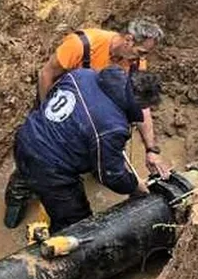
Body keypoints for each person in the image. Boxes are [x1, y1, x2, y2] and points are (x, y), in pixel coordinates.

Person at [10, 67, 159, 232]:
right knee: (76, 224)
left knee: (24, 175)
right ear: (138, 104)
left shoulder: (83, 75)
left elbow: (52, 99)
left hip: (27, 136)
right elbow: (110, 175)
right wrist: (134, 186)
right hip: (51, 169)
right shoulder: (112, 127)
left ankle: (12, 210)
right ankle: (53, 251)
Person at [35, 18, 170, 180]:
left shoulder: (135, 62)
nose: (141, 59)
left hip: (95, 114)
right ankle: (21, 192)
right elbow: (46, 74)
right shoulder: (81, 45)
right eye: (141, 52)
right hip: (65, 107)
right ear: (128, 40)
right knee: (43, 155)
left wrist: (151, 150)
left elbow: (140, 104)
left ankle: (95, 166)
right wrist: (47, 114)